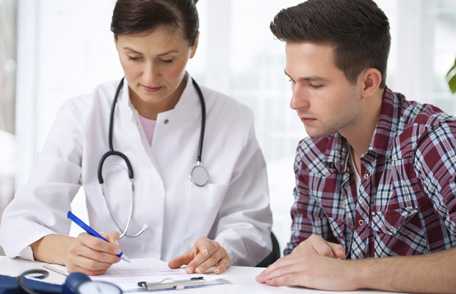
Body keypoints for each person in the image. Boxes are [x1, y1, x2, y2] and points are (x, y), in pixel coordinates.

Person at [0, 0, 272, 276]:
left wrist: (223, 249)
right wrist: (69, 250)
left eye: (167, 59)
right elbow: (22, 221)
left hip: (196, 285)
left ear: (194, 45)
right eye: (133, 57)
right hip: (111, 284)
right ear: (116, 43)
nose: (150, 76)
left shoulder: (234, 120)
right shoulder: (82, 115)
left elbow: (252, 225)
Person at [256, 0, 456, 292]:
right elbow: (297, 274)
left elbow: (344, 276)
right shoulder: (312, 155)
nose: (295, 102)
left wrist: (353, 273)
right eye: (292, 81)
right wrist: (303, 257)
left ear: (368, 83)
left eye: (315, 84)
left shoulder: (432, 140)